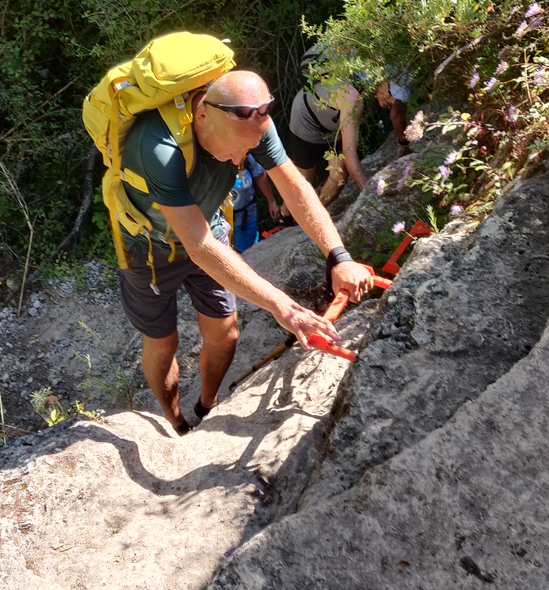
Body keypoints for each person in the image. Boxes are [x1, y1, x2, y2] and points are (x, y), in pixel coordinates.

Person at [118, 70, 374, 436]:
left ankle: (206, 405)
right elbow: (199, 246)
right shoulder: (158, 147)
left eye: (248, 150)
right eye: (235, 148)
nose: (240, 158)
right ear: (202, 114)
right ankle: (174, 422)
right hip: (149, 247)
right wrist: (283, 306)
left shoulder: (252, 123)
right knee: (163, 343)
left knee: (226, 333)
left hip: (208, 226)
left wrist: (338, 255)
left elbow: (295, 188)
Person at [283, 46, 413, 206]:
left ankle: (313, 216)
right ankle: (286, 216)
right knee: (304, 179)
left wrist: (405, 145)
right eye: (393, 95)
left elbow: (397, 115)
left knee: (338, 178)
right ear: (384, 81)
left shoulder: (373, 86)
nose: (391, 103)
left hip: (336, 123)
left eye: (397, 99)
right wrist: (370, 195)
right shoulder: (353, 97)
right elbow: (349, 153)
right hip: (307, 117)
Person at [228, 154, 281, 253]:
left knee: (248, 250)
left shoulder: (245, 154)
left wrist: (271, 201)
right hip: (218, 216)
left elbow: (259, 175)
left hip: (245, 214)